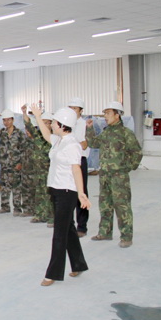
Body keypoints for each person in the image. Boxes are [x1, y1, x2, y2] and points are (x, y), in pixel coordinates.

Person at [30, 104, 90, 287]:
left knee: (59, 233)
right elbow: (45, 135)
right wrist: (38, 117)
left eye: (54, 122)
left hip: (67, 192)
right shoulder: (59, 140)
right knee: (68, 228)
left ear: (62, 125)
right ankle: (78, 264)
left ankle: (53, 273)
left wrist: (81, 194)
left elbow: (76, 170)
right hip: (56, 189)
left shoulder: (72, 145)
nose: (52, 124)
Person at [86, 101, 143, 248]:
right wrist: (90, 129)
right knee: (105, 205)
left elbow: (137, 152)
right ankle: (105, 232)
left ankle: (126, 236)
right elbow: (93, 143)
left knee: (122, 206)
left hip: (119, 177)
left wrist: (127, 167)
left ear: (117, 115)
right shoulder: (106, 132)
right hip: (104, 175)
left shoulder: (125, 133)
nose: (105, 116)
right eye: (105, 113)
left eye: (108, 113)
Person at [22, 107, 55, 227]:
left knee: (50, 194)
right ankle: (40, 214)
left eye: (47, 123)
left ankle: (52, 217)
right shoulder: (37, 135)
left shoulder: (54, 139)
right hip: (38, 170)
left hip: (49, 171)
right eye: (43, 122)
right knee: (39, 193)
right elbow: (28, 124)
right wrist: (24, 112)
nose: (45, 125)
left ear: (51, 124)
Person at [0, 109, 26, 215]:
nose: (6, 122)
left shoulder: (19, 133)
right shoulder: (2, 132)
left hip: (15, 165)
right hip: (4, 164)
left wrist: (20, 163)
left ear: (13, 120)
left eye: (8, 120)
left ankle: (17, 208)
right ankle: (5, 207)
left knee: (16, 187)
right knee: (4, 186)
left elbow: (24, 149)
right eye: (4, 120)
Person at [68, 98, 91, 237]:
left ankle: (82, 226)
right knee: (67, 192)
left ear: (81, 111)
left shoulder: (84, 124)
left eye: (75, 108)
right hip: (67, 161)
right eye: (70, 108)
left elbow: (85, 144)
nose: (72, 111)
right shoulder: (66, 123)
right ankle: (69, 224)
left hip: (79, 160)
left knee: (81, 193)